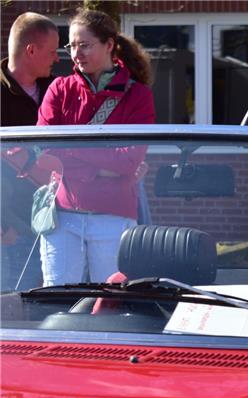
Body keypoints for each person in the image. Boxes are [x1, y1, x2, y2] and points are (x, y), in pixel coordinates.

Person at [36, 8, 155, 286]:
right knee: (56, 300)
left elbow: (128, 161)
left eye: (85, 45)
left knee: (110, 304)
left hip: (113, 216)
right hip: (61, 217)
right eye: (72, 45)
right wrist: (101, 168)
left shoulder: (138, 96)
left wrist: (69, 147)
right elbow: (43, 151)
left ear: (109, 45)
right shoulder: (59, 89)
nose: (76, 53)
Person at [1, 13, 59, 291]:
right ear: (31, 50)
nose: (57, 59)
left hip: (53, 221)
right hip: (11, 228)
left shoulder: (57, 90)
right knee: (10, 304)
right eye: (51, 52)